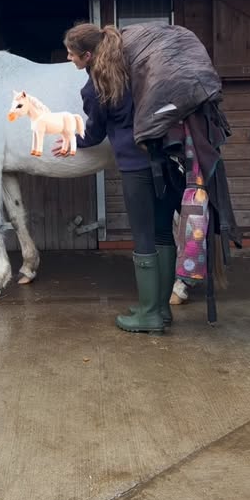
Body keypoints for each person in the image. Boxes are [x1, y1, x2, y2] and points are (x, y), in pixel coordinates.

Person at [54, 22, 182, 335]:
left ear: (86, 55)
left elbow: (95, 132)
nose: (69, 60)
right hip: (165, 157)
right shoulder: (135, 68)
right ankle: (162, 309)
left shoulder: (97, 86)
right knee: (164, 233)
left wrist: (73, 140)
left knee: (143, 237)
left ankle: (149, 315)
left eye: (71, 55)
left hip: (135, 166)